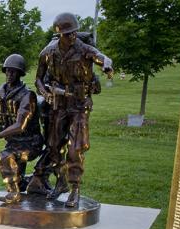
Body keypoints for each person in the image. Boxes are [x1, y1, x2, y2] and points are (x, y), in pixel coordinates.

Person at [31, 12, 113, 207]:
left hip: (79, 104)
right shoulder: (48, 53)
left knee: (76, 148)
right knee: (52, 146)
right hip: (59, 105)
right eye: (68, 34)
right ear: (60, 34)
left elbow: (102, 58)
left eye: (74, 33)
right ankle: (61, 182)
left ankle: (75, 188)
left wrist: (107, 66)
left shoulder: (84, 49)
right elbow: (38, 79)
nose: (72, 37)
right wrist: (46, 93)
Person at [0, 54, 44, 204]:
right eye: (8, 71)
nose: (10, 74)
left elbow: (20, 125)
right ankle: (27, 183)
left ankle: (13, 193)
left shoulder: (27, 95)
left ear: (20, 73)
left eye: (14, 71)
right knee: (12, 160)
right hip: (13, 142)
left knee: (5, 156)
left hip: (30, 142)